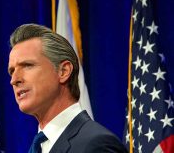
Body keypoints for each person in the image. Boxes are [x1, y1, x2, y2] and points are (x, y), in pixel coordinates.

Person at [8, 24, 127, 153]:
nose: (14, 80)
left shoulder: (97, 145)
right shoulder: (37, 147)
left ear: (63, 71)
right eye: (12, 71)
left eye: (27, 65)